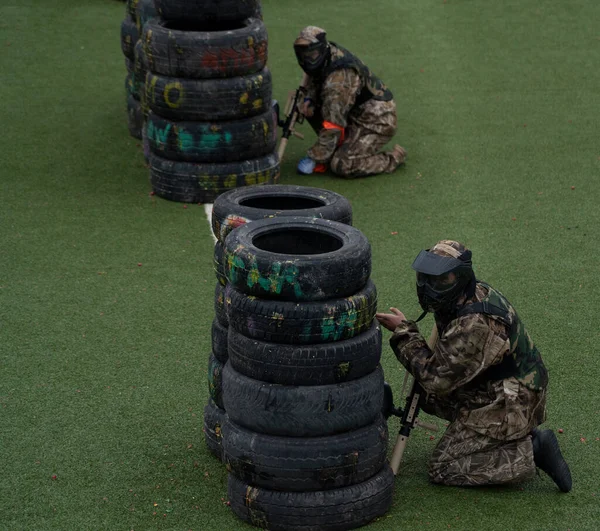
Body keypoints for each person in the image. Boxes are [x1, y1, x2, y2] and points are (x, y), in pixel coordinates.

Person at [376, 240, 572, 492]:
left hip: (512, 401)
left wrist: (404, 332)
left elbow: (436, 379)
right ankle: (504, 437)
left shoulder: (473, 323)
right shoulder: (467, 295)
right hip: (503, 385)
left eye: (440, 280)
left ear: (461, 277)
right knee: (427, 397)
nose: (428, 287)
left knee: (443, 467)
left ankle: (532, 450)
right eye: (424, 278)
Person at [293, 26, 407, 178]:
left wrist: (315, 157)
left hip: (376, 120)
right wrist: (308, 99)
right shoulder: (327, 53)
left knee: (342, 164)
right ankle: (336, 146)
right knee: (307, 106)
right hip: (354, 110)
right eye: (303, 55)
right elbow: (316, 77)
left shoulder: (339, 81)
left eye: (311, 54)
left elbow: (333, 124)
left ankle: (393, 158)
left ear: (321, 49)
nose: (307, 59)